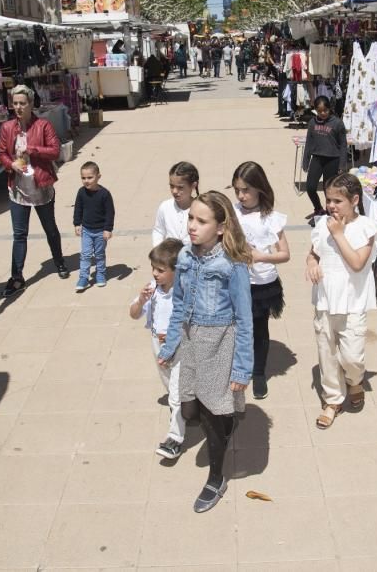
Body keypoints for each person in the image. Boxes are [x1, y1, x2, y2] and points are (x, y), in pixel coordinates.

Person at [158, 191, 253, 513]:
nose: (192, 226)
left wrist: (242, 369)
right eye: (190, 218)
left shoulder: (232, 264)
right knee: (190, 412)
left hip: (219, 344)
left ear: (222, 227)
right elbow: (179, 305)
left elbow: (244, 318)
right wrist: (170, 346)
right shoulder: (184, 256)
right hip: (190, 341)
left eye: (201, 221)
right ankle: (227, 419)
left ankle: (216, 478)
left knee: (213, 416)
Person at [306, 174, 377, 429]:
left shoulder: (366, 228)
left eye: (338, 200)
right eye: (328, 200)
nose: (331, 206)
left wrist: (338, 234)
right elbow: (314, 251)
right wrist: (312, 262)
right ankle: (332, 400)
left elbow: (358, 263)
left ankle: (355, 380)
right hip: (325, 299)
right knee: (326, 351)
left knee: (351, 356)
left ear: (355, 200)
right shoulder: (321, 224)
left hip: (353, 302)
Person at [0, 85, 69, 298]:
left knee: (50, 229)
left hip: (41, 186)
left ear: (30, 104)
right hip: (18, 189)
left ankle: (59, 261)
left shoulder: (43, 125)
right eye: (15, 103)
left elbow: (55, 151)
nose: (18, 107)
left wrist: (32, 149)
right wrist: (11, 165)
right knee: (19, 234)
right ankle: (16, 276)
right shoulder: (8, 128)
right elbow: (2, 153)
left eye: (22, 103)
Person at [232, 162, 289, 400]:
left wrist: (260, 256)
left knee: (259, 329)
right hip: (236, 282)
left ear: (260, 189)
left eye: (246, 190)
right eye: (237, 190)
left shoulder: (271, 218)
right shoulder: (232, 212)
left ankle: (258, 373)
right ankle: (238, 369)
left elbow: (284, 254)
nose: (241, 195)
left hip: (262, 283)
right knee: (237, 328)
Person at [129, 238, 186, 460]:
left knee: (175, 394)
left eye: (161, 270)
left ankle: (175, 439)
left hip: (179, 346)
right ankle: (190, 409)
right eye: (153, 268)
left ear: (176, 271)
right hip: (157, 344)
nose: (155, 273)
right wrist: (141, 300)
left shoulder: (183, 290)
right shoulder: (151, 288)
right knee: (169, 385)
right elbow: (133, 314)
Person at [303, 96, 348, 221]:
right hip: (317, 158)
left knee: (328, 190)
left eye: (325, 110)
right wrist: (306, 160)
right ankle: (318, 208)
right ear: (316, 110)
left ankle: (329, 213)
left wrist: (342, 165)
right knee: (310, 187)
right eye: (319, 111)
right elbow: (309, 142)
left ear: (330, 109)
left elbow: (343, 145)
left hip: (332, 160)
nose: (322, 113)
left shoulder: (337, 123)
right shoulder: (312, 123)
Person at [73, 161, 115, 291]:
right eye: (83, 178)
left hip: (100, 231)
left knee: (99, 254)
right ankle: (83, 277)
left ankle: (101, 274)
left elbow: (110, 212)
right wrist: (77, 223)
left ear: (98, 176)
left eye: (90, 177)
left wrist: (108, 229)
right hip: (86, 230)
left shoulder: (104, 194)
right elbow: (78, 208)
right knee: (85, 254)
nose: (86, 181)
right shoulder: (81, 192)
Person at [152, 161, 199, 245]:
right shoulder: (165, 207)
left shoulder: (201, 209)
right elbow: (158, 230)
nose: (174, 191)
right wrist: (158, 250)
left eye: (180, 187)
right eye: (171, 186)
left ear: (193, 185)